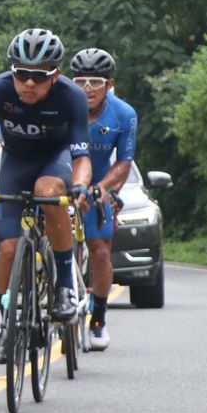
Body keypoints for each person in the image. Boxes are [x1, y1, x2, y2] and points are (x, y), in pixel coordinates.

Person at [0, 29, 93, 352]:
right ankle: (8, 323)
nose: (29, 83)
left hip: (53, 162)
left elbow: (82, 156)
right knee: (9, 250)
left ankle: (65, 288)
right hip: (14, 163)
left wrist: (81, 184)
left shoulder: (72, 97)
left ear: (55, 75)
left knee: (47, 190)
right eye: (22, 74)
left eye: (39, 76)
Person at [70, 47, 135, 349]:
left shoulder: (123, 114)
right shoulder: (64, 107)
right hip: (64, 181)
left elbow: (124, 162)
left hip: (99, 183)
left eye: (95, 82)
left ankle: (98, 319)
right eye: (80, 81)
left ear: (109, 85)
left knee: (99, 250)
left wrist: (104, 188)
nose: (87, 89)